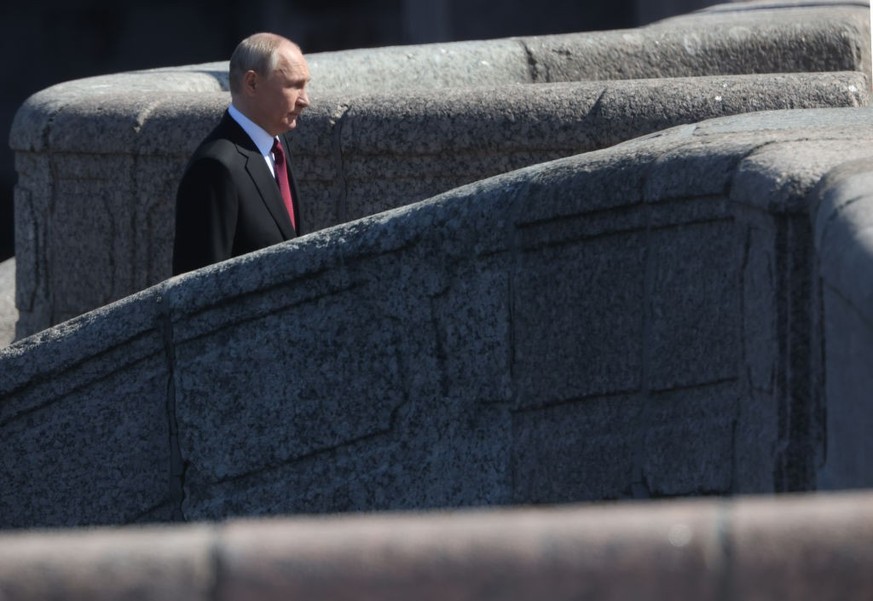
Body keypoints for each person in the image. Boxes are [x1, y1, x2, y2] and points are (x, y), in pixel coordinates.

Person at [172, 32, 311, 276]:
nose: (305, 100)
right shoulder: (215, 167)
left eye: (305, 85)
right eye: (294, 86)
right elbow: (198, 286)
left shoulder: (276, 145)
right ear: (252, 84)